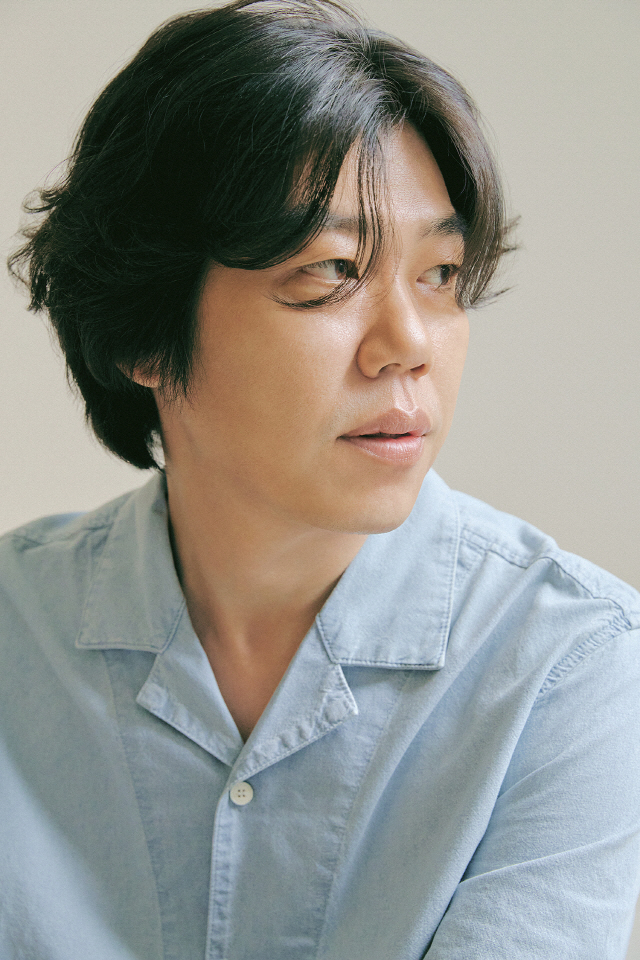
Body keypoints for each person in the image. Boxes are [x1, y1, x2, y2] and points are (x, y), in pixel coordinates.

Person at [2, 0, 640, 957]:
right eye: (333, 271)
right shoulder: (17, 633)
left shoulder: (569, 666)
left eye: (440, 273)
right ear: (142, 334)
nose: (408, 346)